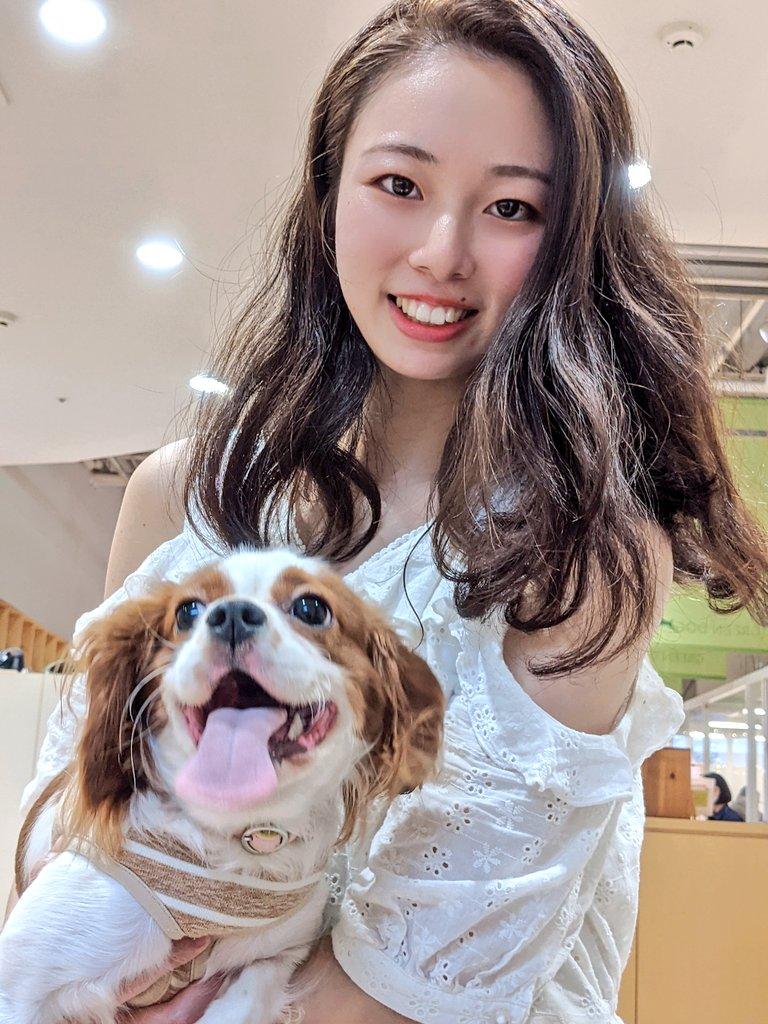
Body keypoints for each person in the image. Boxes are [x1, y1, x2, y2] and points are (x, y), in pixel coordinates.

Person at [8, 0, 768, 1021]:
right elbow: (59, 846)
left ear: (573, 241)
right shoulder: (185, 496)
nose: (441, 253)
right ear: (329, 194)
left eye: (513, 207)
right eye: (400, 185)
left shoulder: (578, 558)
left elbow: (399, 992)